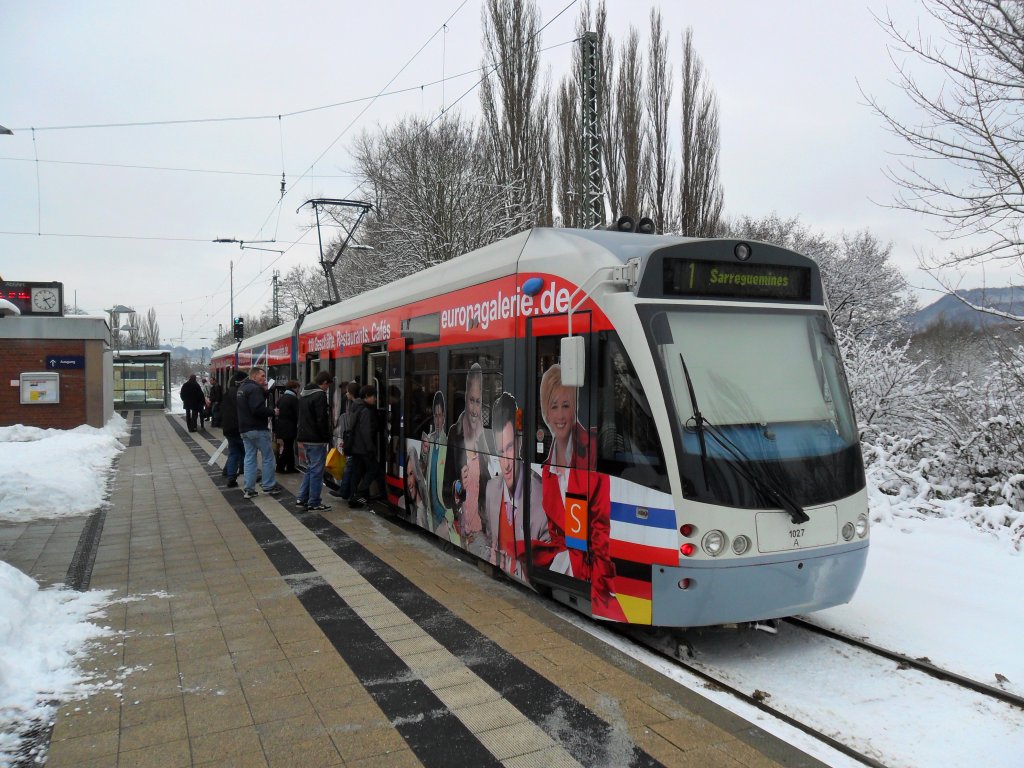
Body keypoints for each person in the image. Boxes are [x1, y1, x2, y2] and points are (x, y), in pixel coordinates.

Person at [536, 363, 625, 622]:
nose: (561, 415)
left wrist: (601, 597)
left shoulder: (594, 448)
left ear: (575, 407)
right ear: (546, 413)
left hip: (594, 580)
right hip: (569, 572)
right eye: (554, 406)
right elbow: (557, 539)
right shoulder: (547, 472)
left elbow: (601, 538)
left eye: (566, 405)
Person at [486, 392, 547, 578]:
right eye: (500, 452)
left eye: (510, 448)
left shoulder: (541, 497)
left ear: (519, 443)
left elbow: (548, 561)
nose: (506, 463)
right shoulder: (491, 490)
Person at [442, 364, 492, 543]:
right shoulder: (455, 435)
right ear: (465, 399)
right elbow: (446, 492)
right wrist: (458, 487)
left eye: (478, 402)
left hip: (481, 532)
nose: (474, 409)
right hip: (462, 530)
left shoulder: (485, 437)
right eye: (471, 400)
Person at [237, 366, 281, 499]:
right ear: (254, 376)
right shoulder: (255, 389)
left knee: (250, 458)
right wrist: (273, 412)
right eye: (262, 376)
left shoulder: (242, 389)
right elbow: (257, 408)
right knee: (268, 457)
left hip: (244, 429)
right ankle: (268, 486)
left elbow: (252, 403)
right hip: (257, 429)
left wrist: (265, 392)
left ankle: (249, 489)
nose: (264, 379)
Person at [295, 371, 333, 511]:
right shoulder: (320, 395)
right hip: (316, 438)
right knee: (317, 471)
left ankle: (302, 498)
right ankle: (314, 502)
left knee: (311, 469)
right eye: (327, 386)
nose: (327, 389)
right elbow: (321, 419)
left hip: (304, 436)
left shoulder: (304, 394)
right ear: (324, 383)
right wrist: (325, 437)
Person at [348, 385, 383, 509]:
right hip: (363, 448)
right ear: (367, 396)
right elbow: (365, 432)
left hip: (355, 447)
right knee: (373, 469)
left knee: (357, 472)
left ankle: (353, 498)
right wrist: (371, 448)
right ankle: (359, 494)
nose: (375, 399)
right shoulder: (366, 411)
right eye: (374, 396)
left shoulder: (355, 406)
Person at [329, 381, 361, 500]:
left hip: (354, 442)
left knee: (350, 467)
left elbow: (352, 425)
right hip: (355, 441)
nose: (346, 394)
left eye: (347, 391)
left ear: (351, 393)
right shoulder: (354, 404)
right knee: (351, 467)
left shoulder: (355, 405)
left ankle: (347, 492)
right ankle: (348, 492)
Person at [423, 391, 449, 536]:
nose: (437, 420)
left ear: (445, 417)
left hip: (443, 514)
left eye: (440, 416)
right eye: (435, 416)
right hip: (430, 511)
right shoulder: (430, 439)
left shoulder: (448, 442)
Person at [220, 370, 247, 487]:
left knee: (233, 452)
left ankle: (231, 477)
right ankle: (249, 474)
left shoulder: (226, 394)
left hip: (228, 428)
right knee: (247, 452)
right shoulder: (241, 394)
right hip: (239, 428)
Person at [275, 379, 300, 473]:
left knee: (288, 446)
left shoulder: (282, 397)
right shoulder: (293, 399)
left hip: (281, 426)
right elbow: (297, 413)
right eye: (297, 388)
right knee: (288, 447)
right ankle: (280, 467)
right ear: (294, 388)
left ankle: (290, 467)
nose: (298, 390)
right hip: (289, 427)